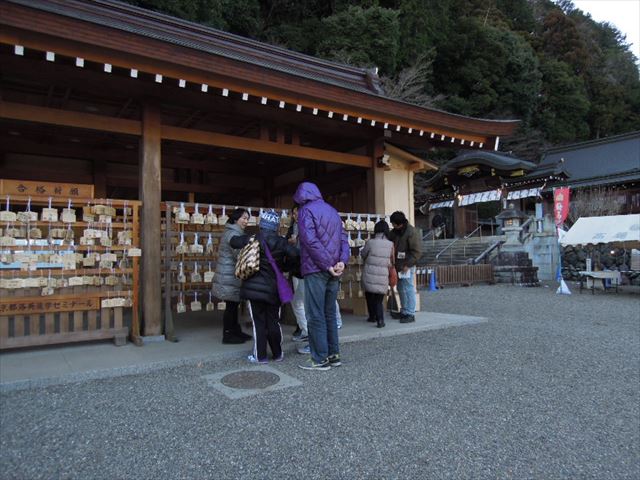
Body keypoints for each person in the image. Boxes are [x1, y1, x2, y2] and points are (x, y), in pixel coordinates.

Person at [293, 182, 349, 371]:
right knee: (329, 314)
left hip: (316, 269)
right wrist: (341, 262)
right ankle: (334, 356)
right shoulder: (332, 211)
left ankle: (319, 359)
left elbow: (309, 241)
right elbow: (343, 239)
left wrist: (327, 265)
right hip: (334, 270)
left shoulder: (305, 211)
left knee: (315, 315)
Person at [230, 209, 299, 364]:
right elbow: (296, 254)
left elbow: (233, 241)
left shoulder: (254, 238)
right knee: (273, 322)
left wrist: (244, 239)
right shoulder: (281, 242)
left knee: (259, 323)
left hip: (254, 289)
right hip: (274, 290)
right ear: (276, 226)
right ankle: (277, 354)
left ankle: (260, 356)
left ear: (262, 224)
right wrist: (286, 266)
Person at [211, 208, 252, 344]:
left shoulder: (235, 232)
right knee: (231, 306)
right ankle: (228, 334)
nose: (246, 221)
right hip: (229, 275)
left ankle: (235, 330)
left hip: (231, 275)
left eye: (247, 218)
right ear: (235, 218)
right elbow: (238, 253)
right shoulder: (233, 234)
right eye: (244, 218)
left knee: (234, 305)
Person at [388, 211, 422, 323]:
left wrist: (408, 264)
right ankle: (404, 311)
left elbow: (417, 252)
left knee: (408, 288)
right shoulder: (395, 232)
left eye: (393, 224)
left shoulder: (411, 232)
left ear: (399, 223)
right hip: (398, 266)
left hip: (407, 266)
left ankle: (410, 313)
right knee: (401, 288)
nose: (392, 225)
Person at [361, 220, 394, 328]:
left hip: (369, 273)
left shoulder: (370, 242)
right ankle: (380, 320)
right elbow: (392, 259)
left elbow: (363, 254)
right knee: (379, 300)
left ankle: (372, 317)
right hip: (383, 274)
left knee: (369, 295)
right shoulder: (390, 244)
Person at [286, 204, 308, 342]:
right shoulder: (292, 228)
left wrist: (297, 241)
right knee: (297, 301)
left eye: (297, 213)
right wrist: (289, 242)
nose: (295, 216)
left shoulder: (307, 226)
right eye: (293, 213)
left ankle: (306, 330)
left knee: (301, 301)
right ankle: (301, 327)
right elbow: (286, 244)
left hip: (305, 267)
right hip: (295, 267)